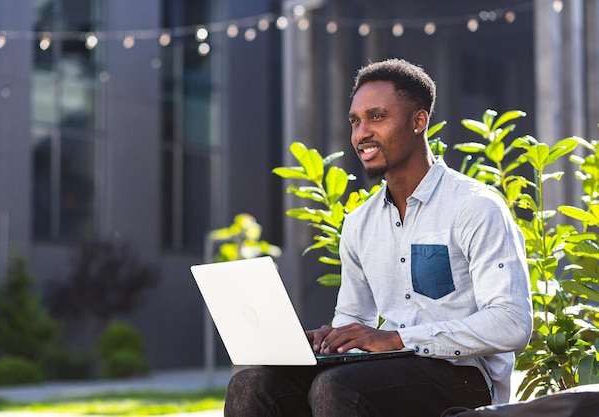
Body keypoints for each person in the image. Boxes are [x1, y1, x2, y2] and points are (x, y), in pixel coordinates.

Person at [224, 58, 533, 417]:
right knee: (252, 384)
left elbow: (512, 323)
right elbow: (353, 317)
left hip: (465, 378)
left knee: (336, 388)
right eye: (355, 121)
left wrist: (399, 339)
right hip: (383, 372)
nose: (361, 133)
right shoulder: (359, 224)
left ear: (419, 121)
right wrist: (328, 342)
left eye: (376, 117)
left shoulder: (475, 207)